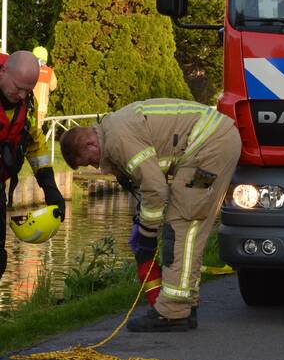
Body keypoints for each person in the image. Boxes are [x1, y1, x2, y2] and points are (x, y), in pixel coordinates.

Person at [60, 99, 241, 331]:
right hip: (215, 143)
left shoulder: (117, 140)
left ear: (89, 145)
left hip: (209, 150)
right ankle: (184, 301)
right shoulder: (114, 128)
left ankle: (173, 311)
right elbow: (152, 179)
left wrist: (146, 235)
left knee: (182, 223)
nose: (97, 167)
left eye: (90, 161)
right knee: (190, 224)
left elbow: (155, 190)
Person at [0, 51, 65, 282]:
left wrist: (49, 186)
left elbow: (34, 141)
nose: (21, 95)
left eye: (27, 90)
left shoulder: (25, 103)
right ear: (3, 71)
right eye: (18, 88)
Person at [31, 46, 57, 127]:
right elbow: (53, 87)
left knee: (31, 129)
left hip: (32, 106)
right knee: (38, 129)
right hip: (43, 107)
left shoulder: (32, 70)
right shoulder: (50, 72)